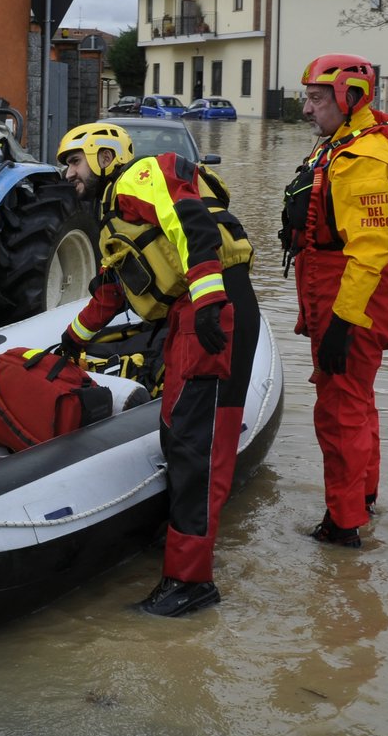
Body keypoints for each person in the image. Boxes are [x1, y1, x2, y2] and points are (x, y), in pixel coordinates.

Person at [55, 122, 259, 617]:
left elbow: (189, 219)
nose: (67, 173)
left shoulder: (140, 177)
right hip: (197, 312)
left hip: (210, 309)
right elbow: (111, 292)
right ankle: (182, 555)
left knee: (193, 446)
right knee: (184, 438)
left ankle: (190, 585)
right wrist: (72, 341)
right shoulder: (115, 221)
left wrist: (209, 299)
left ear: (104, 156)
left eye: (74, 161)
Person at [283, 54, 388, 548]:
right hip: (338, 288)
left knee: (340, 409)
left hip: (350, 295)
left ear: (350, 98)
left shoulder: (365, 158)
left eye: (316, 99)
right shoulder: (347, 143)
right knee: (358, 403)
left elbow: (369, 251)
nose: (306, 110)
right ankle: (361, 501)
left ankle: (342, 527)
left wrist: (343, 322)